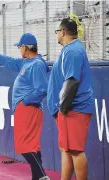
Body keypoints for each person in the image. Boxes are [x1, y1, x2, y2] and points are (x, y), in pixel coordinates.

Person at [0, 33, 50, 180]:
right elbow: (8, 61)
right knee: (32, 147)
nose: (19, 49)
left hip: (28, 108)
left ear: (27, 48)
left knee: (24, 147)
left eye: (20, 47)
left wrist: (26, 101)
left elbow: (42, 89)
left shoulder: (36, 64)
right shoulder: (27, 62)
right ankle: (38, 177)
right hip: (26, 108)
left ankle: (42, 177)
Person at [47, 18, 94, 180]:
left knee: (75, 150)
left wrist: (63, 108)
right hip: (68, 109)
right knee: (65, 149)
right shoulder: (69, 50)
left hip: (74, 109)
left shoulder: (73, 51)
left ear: (63, 32)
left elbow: (72, 81)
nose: (57, 35)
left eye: (57, 31)